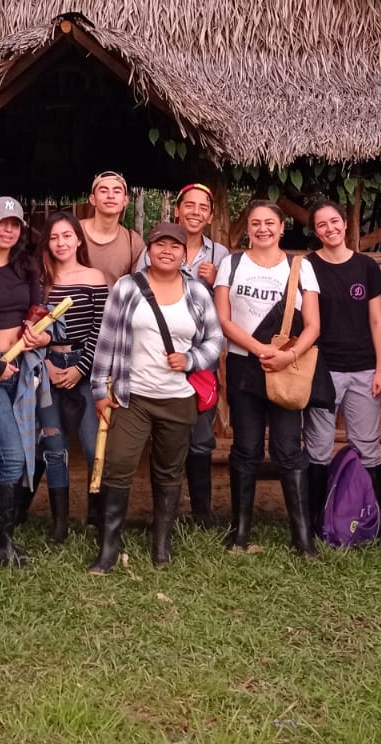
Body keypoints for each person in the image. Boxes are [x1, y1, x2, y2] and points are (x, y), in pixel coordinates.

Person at [89, 221, 223, 573]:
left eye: (174, 246)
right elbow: (107, 339)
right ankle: (108, 547)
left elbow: (214, 341)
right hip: (133, 396)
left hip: (178, 397)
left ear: (184, 253)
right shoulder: (127, 288)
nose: (167, 251)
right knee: (118, 466)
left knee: (169, 471)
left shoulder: (197, 292)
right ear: (148, 249)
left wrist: (191, 359)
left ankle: (162, 544)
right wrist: (99, 390)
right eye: (160, 244)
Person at [213, 199, 322, 557]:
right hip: (247, 364)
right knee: (245, 448)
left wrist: (288, 354)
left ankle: (302, 537)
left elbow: (313, 324)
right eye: (255, 223)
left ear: (281, 227)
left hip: (287, 365)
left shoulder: (299, 267)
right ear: (248, 229)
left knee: (288, 448)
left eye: (269, 223)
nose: (262, 229)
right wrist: (261, 349)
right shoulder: (231, 264)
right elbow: (225, 320)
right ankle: (240, 530)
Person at [137, 182, 231, 528]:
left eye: (202, 207)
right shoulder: (154, 249)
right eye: (188, 205)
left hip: (200, 360)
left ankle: (202, 513)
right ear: (177, 210)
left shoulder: (220, 255)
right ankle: (165, 511)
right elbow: (137, 289)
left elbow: (233, 304)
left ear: (210, 215)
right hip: (156, 359)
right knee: (161, 437)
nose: (195, 211)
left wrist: (219, 279)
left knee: (201, 439)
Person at [303, 201, 381, 535]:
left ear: (345, 223)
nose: (330, 228)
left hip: (364, 369)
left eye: (334, 221)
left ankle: (372, 521)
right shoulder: (308, 267)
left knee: (367, 445)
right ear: (316, 231)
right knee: (319, 446)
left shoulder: (367, 266)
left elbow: (376, 319)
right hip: (323, 369)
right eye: (322, 225)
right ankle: (316, 521)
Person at [0, 194, 49, 567]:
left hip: (20, 375)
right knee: (12, 458)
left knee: (26, 455)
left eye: (14, 223)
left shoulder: (27, 268)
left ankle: (2, 539)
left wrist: (37, 333)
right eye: (0, 222)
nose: (7, 229)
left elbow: (35, 314)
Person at [38, 210, 110, 544]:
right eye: (54, 237)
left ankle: (97, 515)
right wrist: (47, 364)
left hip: (86, 368)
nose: (61, 242)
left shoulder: (94, 277)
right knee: (54, 445)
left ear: (78, 239)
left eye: (67, 235)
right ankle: (60, 523)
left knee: (94, 442)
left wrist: (80, 368)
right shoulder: (40, 279)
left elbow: (101, 328)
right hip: (47, 365)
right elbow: (29, 326)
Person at [81, 170, 145, 284]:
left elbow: (140, 286)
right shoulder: (73, 232)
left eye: (117, 191)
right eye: (103, 191)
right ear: (92, 199)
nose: (110, 196)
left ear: (125, 200)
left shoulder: (133, 242)